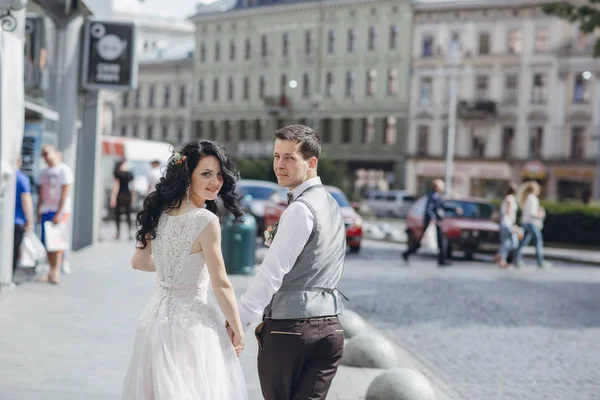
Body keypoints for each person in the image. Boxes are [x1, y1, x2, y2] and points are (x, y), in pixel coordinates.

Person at [122, 140, 248, 400]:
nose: (215, 181)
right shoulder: (206, 220)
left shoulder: (160, 212)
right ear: (187, 174)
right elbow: (220, 282)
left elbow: (139, 262)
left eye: (218, 175)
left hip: (154, 319)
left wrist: (174, 266)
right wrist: (237, 327)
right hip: (191, 325)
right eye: (206, 174)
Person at [233, 125, 347, 400]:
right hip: (331, 329)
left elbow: (272, 272)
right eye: (276, 156)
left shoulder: (300, 209)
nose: (279, 165)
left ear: (312, 163)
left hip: (291, 329)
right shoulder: (331, 204)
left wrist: (240, 322)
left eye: (289, 158)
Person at [37, 145, 74, 284]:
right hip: (46, 209)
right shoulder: (44, 172)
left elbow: (65, 193)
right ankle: (50, 270)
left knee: (56, 242)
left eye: (46, 153)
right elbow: (41, 192)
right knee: (47, 241)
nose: (45, 156)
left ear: (55, 153)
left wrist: (59, 213)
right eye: (42, 154)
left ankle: (56, 271)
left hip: (59, 210)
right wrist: (38, 209)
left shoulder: (64, 170)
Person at [403, 179, 453, 266]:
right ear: (437, 187)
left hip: (435, 221)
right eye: (442, 186)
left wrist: (455, 209)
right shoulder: (433, 196)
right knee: (427, 241)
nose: (443, 188)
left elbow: (443, 207)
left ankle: (442, 259)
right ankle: (407, 253)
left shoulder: (436, 196)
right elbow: (429, 209)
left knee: (441, 241)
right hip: (431, 222)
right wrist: (432, 218)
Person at [515, 181, 551, 269]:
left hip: (525, 222)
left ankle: (516, 260)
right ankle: (540, 261)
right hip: (531, 223)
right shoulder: (532, 198)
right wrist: (540, 215)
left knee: (523, 243)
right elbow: (532, 213)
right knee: (538, 242)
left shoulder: (528, 198)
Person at [13, 157, 34, 275]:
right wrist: (30, 220)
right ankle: (8, 276)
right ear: (19, 161)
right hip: (18, 221)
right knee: (14, 251)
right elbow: (26, 201)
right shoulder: (22, 178)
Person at [495, 183, 519, 269]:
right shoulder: (510, 198)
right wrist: (513, 224)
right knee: (512, 242)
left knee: (507, 242)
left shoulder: (505, 198)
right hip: (507, 223)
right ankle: (501, 257)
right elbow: (509, 211)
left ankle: (501, 257)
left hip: (504, 223)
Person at [110, 160, 135, 240]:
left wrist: (113, 198)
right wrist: (133, 197)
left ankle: (118, 233)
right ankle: (129, 233)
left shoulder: (118, 173)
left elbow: (116, 186)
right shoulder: (130, 174)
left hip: (120, 195)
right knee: (128, 215)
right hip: (127, 196)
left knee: (118, 215)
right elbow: (131, 186)